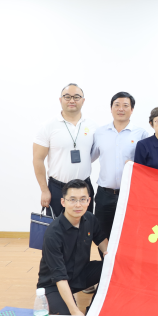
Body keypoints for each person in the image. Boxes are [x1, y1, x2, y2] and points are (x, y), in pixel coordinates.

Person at [37, 179, 108, 316]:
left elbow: (101, 240)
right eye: (72, 200)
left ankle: (94, 310)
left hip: (80, 274)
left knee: (111, 268)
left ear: (89, 201)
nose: (78, 205)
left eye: (83, 199)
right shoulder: (53, 234)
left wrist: (108, 252)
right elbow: (59, 277)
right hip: (54, 284)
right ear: (63, 202)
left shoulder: (90, 218)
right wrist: (74, 310)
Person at [91, 92, 149, 258]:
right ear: (111, 108)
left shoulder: (141, 134)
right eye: (117, 105)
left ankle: (124, 270)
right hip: (104, 194)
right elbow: (90, 157)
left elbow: (146, 165)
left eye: (125, 105)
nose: (121, 109)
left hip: (130, 194)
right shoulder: (100, 132)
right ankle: (105, 270)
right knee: (102, 234)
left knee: (130, 234)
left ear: (132, 109)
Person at [33, 83, 98, 217]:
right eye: (67, 97)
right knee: (57, 226)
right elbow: (37, 159)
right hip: (58, 189)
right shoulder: (48, 126)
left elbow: (93, 154)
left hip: (84, 187)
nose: (72, 100)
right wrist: (44, 190)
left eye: (76, 97)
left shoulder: (92, 126)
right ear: (60, 100)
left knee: (85, 226)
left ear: (83, 100)